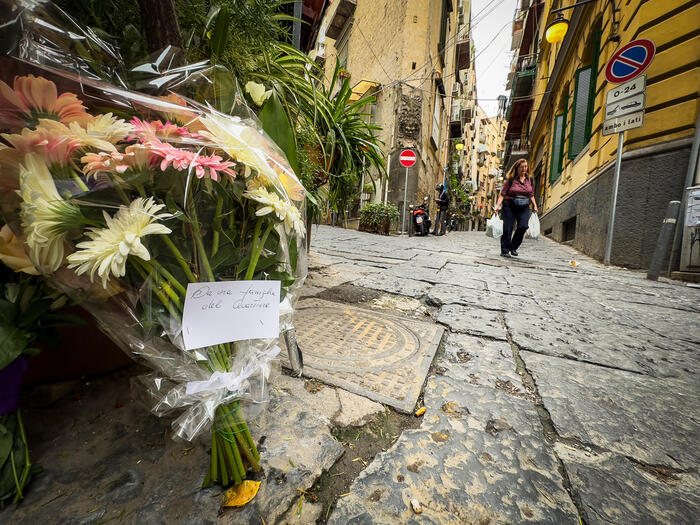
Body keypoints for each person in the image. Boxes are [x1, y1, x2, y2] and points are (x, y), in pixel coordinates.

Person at [494, 158, 538, 257]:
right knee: (508, 228)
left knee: (523, 226)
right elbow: (503, 194)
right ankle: (505, 250)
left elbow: (531, 194)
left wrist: (535, 205)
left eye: (526, 167)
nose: (524, 169)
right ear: (517, 168)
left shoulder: (530, 179)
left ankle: (513, 247)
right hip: (509, 205)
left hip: (524, 206)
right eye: (522, 167)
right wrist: (498, 205)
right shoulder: (511, 180)